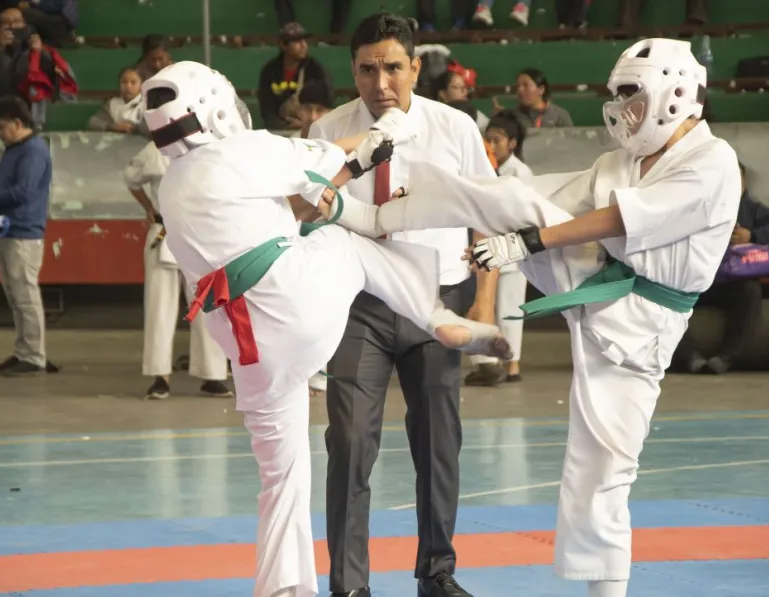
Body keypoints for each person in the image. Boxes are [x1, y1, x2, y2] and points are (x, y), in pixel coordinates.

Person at [326, 38, 742, 597]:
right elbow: (544, 198)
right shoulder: (625, 159)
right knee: (505, 196)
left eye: (633, 96)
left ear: (675, 93)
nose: (624, 110)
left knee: (602, 473)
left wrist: (528, 242)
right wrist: (495, 212)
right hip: (595, 280)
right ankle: (374, 213)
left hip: (639, 320)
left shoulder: (713, 163)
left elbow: (618, 219)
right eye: (618, 96)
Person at [141, 60, 509, 597]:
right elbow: (337, 158)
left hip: (246, 348)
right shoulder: (242, 151)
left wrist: (349, 170)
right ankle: (435, 316)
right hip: (291, 308)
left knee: (282, 477)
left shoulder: (173, 185)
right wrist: (390, 131)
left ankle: (285, 588)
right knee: (347, 242)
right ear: (216, 110)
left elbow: (291, 206)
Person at [306, 13, 498, 597]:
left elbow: (486, 215)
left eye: (393, 66)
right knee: (349, 440)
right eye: (368, 68)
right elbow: (309, 214)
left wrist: (482, 309)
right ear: (354, 71)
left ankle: (437, 574)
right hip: (359, 304)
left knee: (439, 440)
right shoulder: (328, 127)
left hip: (437, 301)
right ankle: (349, 586)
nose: (381, 81)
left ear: (415, 66)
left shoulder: (456, 128)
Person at [124, 138, 234, 399]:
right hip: (164, 230)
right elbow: (131, 177)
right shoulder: (156, 149)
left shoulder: (212, 149)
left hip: (203, 236)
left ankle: (212, 375)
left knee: (209, 308)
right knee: (159, 308)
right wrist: (148, 207)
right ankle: (159, 375)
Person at [673, 161, 769, 375]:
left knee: (751, 291)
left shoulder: (755, 211)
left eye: (735, 179)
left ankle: (726, 358)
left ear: (744, 183)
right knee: (663, 294)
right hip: (696, 280)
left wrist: (751, 236)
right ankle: (689, 357)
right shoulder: (696, 209)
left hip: (732, 282)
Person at [0, 95, 52, 377]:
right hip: (8, 229)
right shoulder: (14, 149)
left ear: (18, 123)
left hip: (24, 233)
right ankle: (24, 350)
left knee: (26, 295)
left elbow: (24, 193)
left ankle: (34, 355)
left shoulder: (33, 151)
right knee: (15, 295)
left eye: (1, 127)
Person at [465, 112, 532, 386]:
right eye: (488, 139)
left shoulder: (520, 173)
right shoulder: (485, 168)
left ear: (512, 143)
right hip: (486, 253)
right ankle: (489, 363)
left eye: (497, 140)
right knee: (484, 309)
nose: (491, 145)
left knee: (510, 313)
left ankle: (512, 365)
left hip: (513, 253)